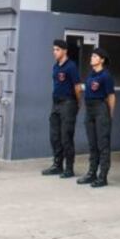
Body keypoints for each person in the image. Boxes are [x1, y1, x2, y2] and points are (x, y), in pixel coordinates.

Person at [43, 39, 81, 178]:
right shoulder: (55, 66)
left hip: (68, 103)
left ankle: (69, 168)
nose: (54, 52)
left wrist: (77, 103)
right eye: (53, 49)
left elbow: (77, 87)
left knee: (66, 136)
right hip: (56, 103)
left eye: (57, 49)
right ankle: (57, 165)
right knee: (54, 136)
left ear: (65, 51)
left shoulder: (71, 66)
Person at [77, 48, 115, 188]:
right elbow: (87, 88)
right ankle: (91, 173)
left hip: (101, 110)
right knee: (92, 144)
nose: (91, 58)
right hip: (90, 111)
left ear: (102, 60)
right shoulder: (91, 75)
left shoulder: (106, 76)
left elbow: (111, 96)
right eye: (92, 55)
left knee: (102, 145)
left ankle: (102, 176)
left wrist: (110, 114)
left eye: (95, 56)